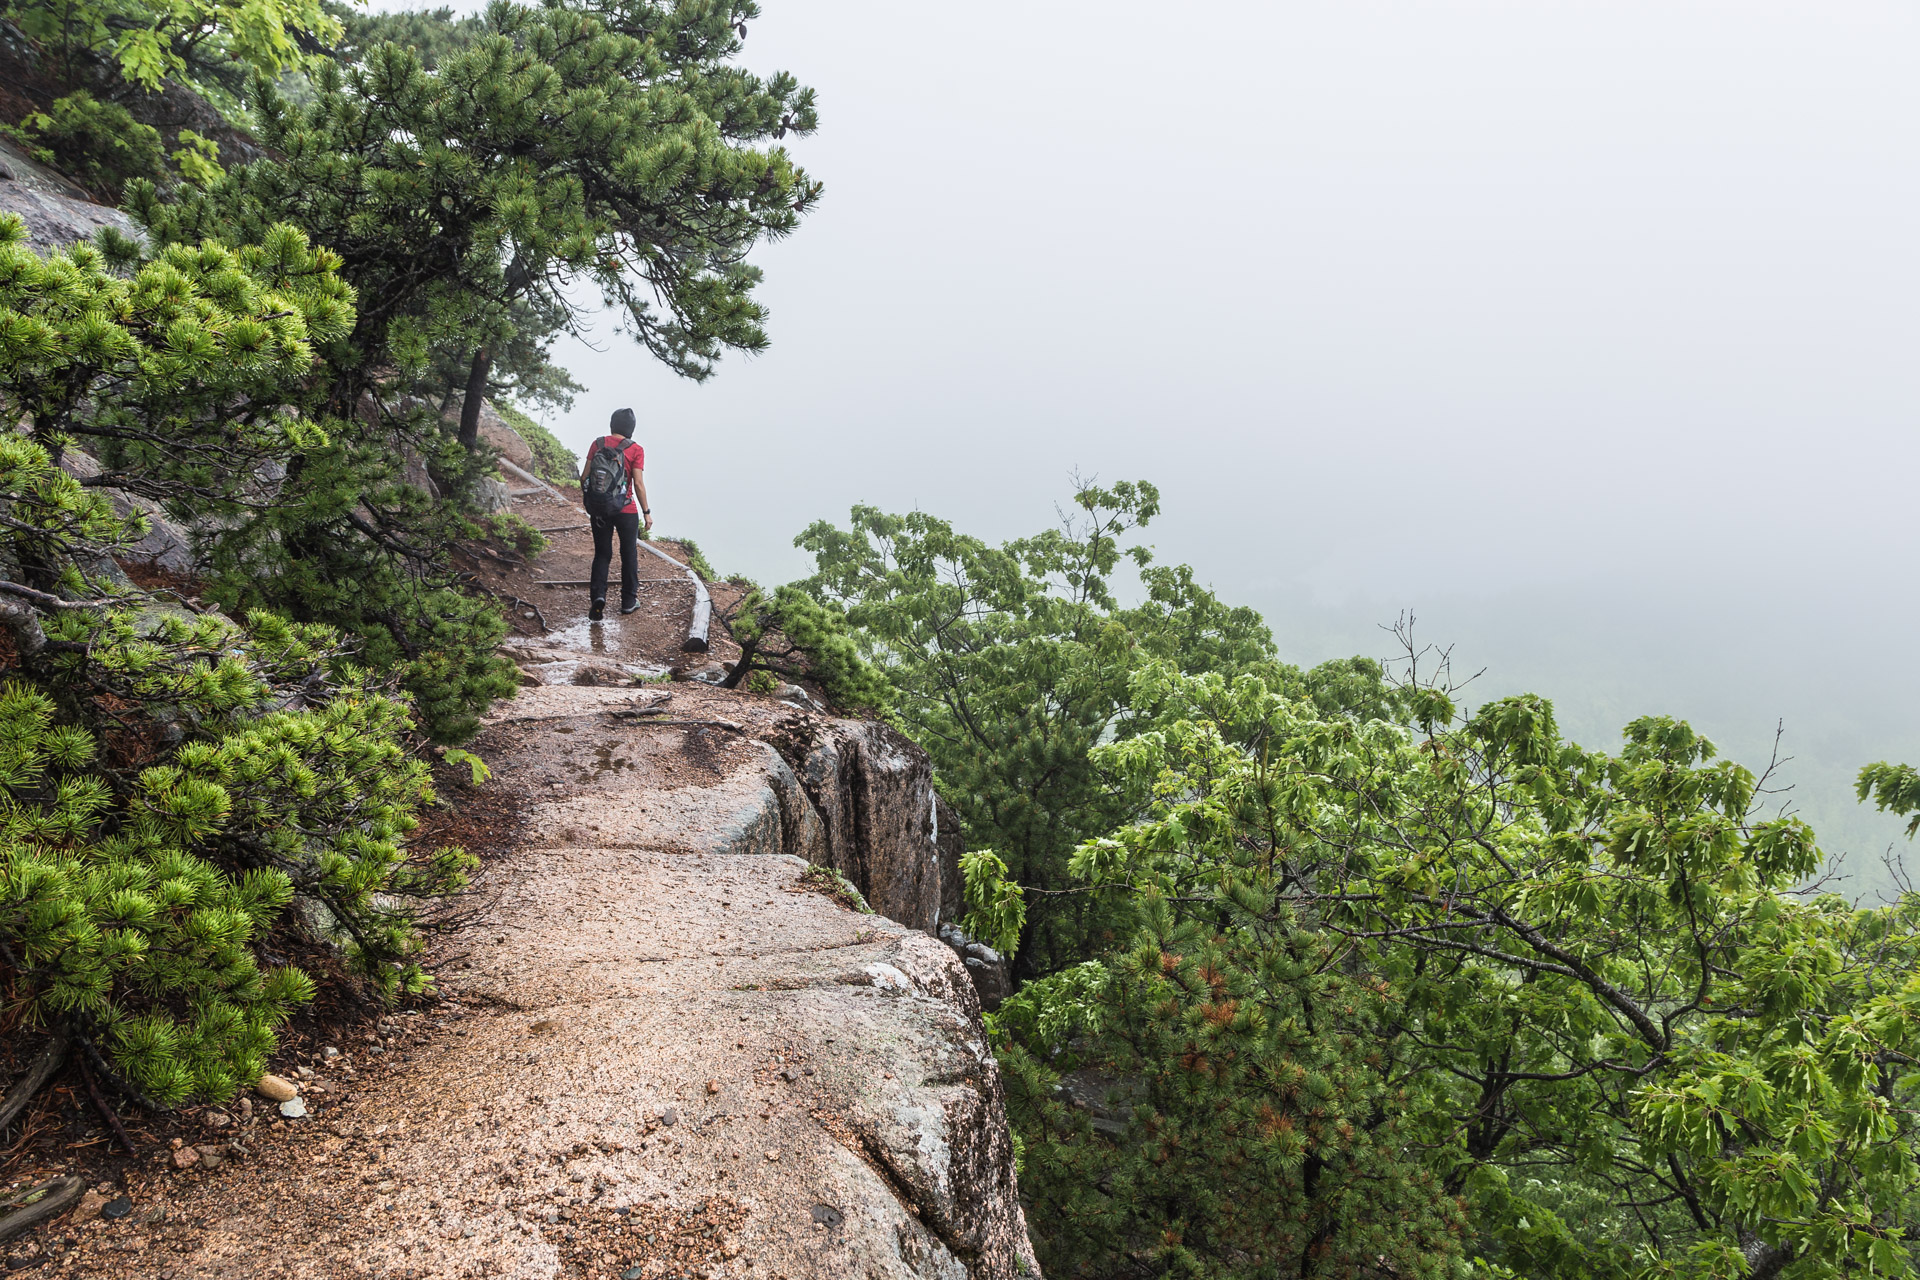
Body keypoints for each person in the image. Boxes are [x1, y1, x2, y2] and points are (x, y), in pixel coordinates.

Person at [578, 407, 652, 621]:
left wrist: (593, 500)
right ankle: (628, 602)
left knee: (602, 554)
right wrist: (646, 512)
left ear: (612, 425)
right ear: (631, 429)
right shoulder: (635, 449)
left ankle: (598, 598)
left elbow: (584, 477)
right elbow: (637, 483)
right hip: (625, 509)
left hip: (600, 508)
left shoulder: (598, 444)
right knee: (629, 554)